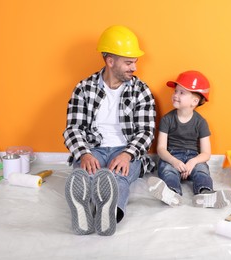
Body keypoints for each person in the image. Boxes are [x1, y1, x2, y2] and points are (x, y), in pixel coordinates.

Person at [63, 25, 156, 236]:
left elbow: (146, 131)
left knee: (117, 178)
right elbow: (73, 129)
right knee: (84, 174)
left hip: (125, 147)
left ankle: (110, 214)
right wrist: (84, 154)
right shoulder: (84, 88)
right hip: (93, 147)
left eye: (135, 62)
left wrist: (127, 154)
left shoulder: (141, 90)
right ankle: (84, 211)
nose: (134, 68)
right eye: (128, 62)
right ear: (110, 61)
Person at [147, 70, 231, 208]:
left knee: (202, 171)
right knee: (168, 171)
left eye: (182, 92)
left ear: (194, 101)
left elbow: (206, 153)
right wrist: (174, 161)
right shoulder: (167, 119)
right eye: (176, 91)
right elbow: (161, 148)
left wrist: (193, 162)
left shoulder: (201, 123)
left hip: (193, 158)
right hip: (172, 156)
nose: (175, 95)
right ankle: (172, 193)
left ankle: (205, 194)